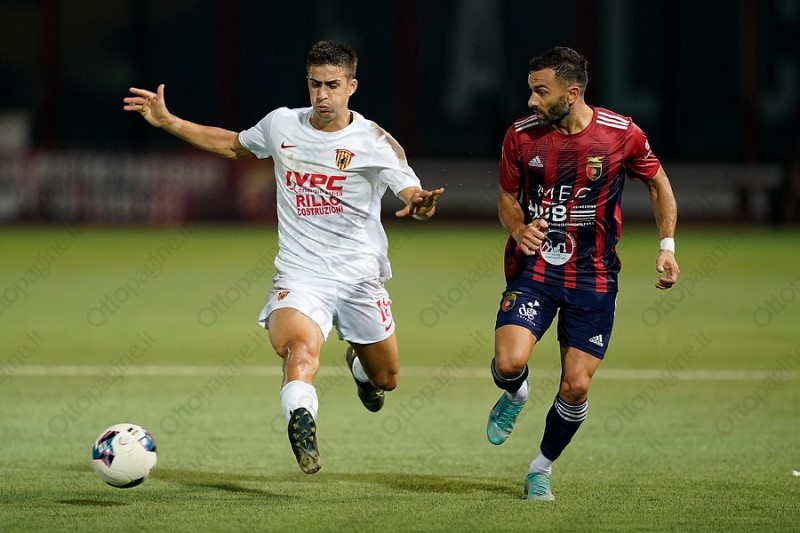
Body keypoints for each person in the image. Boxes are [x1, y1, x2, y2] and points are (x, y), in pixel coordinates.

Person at [124, 40, 444, 474]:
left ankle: (360, 370)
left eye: (332, 85)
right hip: (300, 273)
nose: (322, 95)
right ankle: (301, 420)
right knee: (299, 349)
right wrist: (169, 121)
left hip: (358, 277)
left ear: (352, 86)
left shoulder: (372, 141)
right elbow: (231, 144)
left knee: (386, 378)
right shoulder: (281, 125)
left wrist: (420, 205)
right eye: (315, 84)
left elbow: (412, 193)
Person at [486, 46, 679, 500]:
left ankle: (541, 467)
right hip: (534, 270)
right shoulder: (521, 136)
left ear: (571, 94)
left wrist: (667, 246)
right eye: (530, 90)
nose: (531, 101)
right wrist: (518, 228)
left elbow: (657, 182)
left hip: (593, 278)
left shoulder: (620, 133)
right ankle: (515, 394)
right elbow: (507, 197)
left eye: (541, 92)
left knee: (575, 386)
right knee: (510, 363)